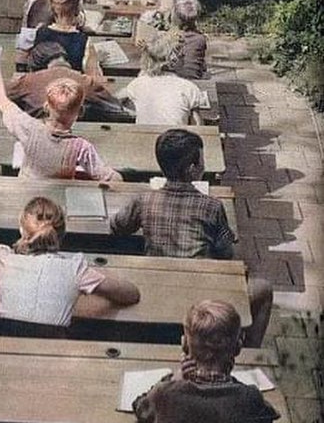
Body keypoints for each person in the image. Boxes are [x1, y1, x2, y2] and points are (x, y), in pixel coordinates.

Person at [109, 129, 273, 346]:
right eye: (202, 161)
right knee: (263, 288)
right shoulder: (212, 206)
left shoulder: (144, 200)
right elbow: (226, 254)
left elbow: (117, 227)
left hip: (155, 285)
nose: (204, 166)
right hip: (200, 293)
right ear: (192, 169)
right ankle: (250, 352)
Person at [133, 300, 278, 423]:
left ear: (185, 344)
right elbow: (266, 418)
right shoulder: (249, 397)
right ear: (238, 347)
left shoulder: (165, 394)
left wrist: (175, 378)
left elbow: (141, 408)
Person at [0, 196, 140, 327]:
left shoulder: (4, 263)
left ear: (21, 230)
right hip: (57, 352)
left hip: (7, 349)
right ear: (62, 234)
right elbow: (131, 294)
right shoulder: (76, 269)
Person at [0, 30, 121, 181]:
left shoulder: (28, 129)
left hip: (28, 191)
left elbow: (0, 98)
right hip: (61, 197)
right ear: (80, 112)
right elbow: (109, 177)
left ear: (46, 106)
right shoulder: (82, 147)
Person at [7, 41, 134, 122]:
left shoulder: (28, 81)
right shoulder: (86, 82)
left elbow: (1, 98)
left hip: (36, 140)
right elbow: (116, 108)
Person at [117, 31, 204, 125]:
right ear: (174, 60)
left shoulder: (137, 84)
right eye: (182, 55)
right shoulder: (189, 88)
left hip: (144, 137)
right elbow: (198, 127)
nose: (184, 57)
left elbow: (115, 99)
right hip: (175, 138)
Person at [29, 0, 102, 76]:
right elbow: (93, 78)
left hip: (43, 86)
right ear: (77, 11)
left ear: (52, 9)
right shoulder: (82, 40)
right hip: (71, 86)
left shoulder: (40, 32)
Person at [169, 0, 208, 80]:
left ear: (175, 17)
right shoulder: (200, 39)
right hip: (193, 82)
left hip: (177, 81)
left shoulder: (170, 37)